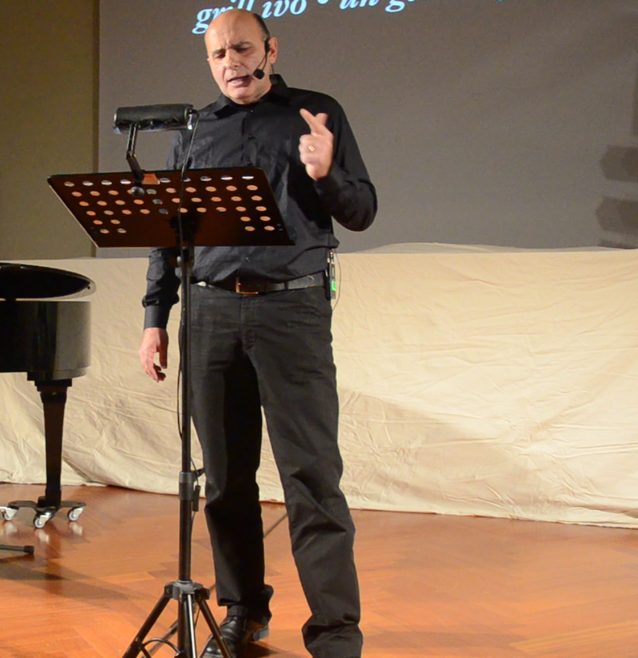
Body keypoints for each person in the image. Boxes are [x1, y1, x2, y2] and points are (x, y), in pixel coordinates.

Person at [138, 10, 375, 658]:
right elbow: (168, 235)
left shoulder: (315, 114)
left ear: (270, 49)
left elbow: (362, 211)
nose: (231, 63)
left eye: (242, 49)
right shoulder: (195, 132)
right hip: (210, 314)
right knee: (224, 481)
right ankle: (243, 610)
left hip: (291, 312)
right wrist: (155, 320)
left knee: (312, 478)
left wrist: (327, 174)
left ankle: (335, 634)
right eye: (218, 54)